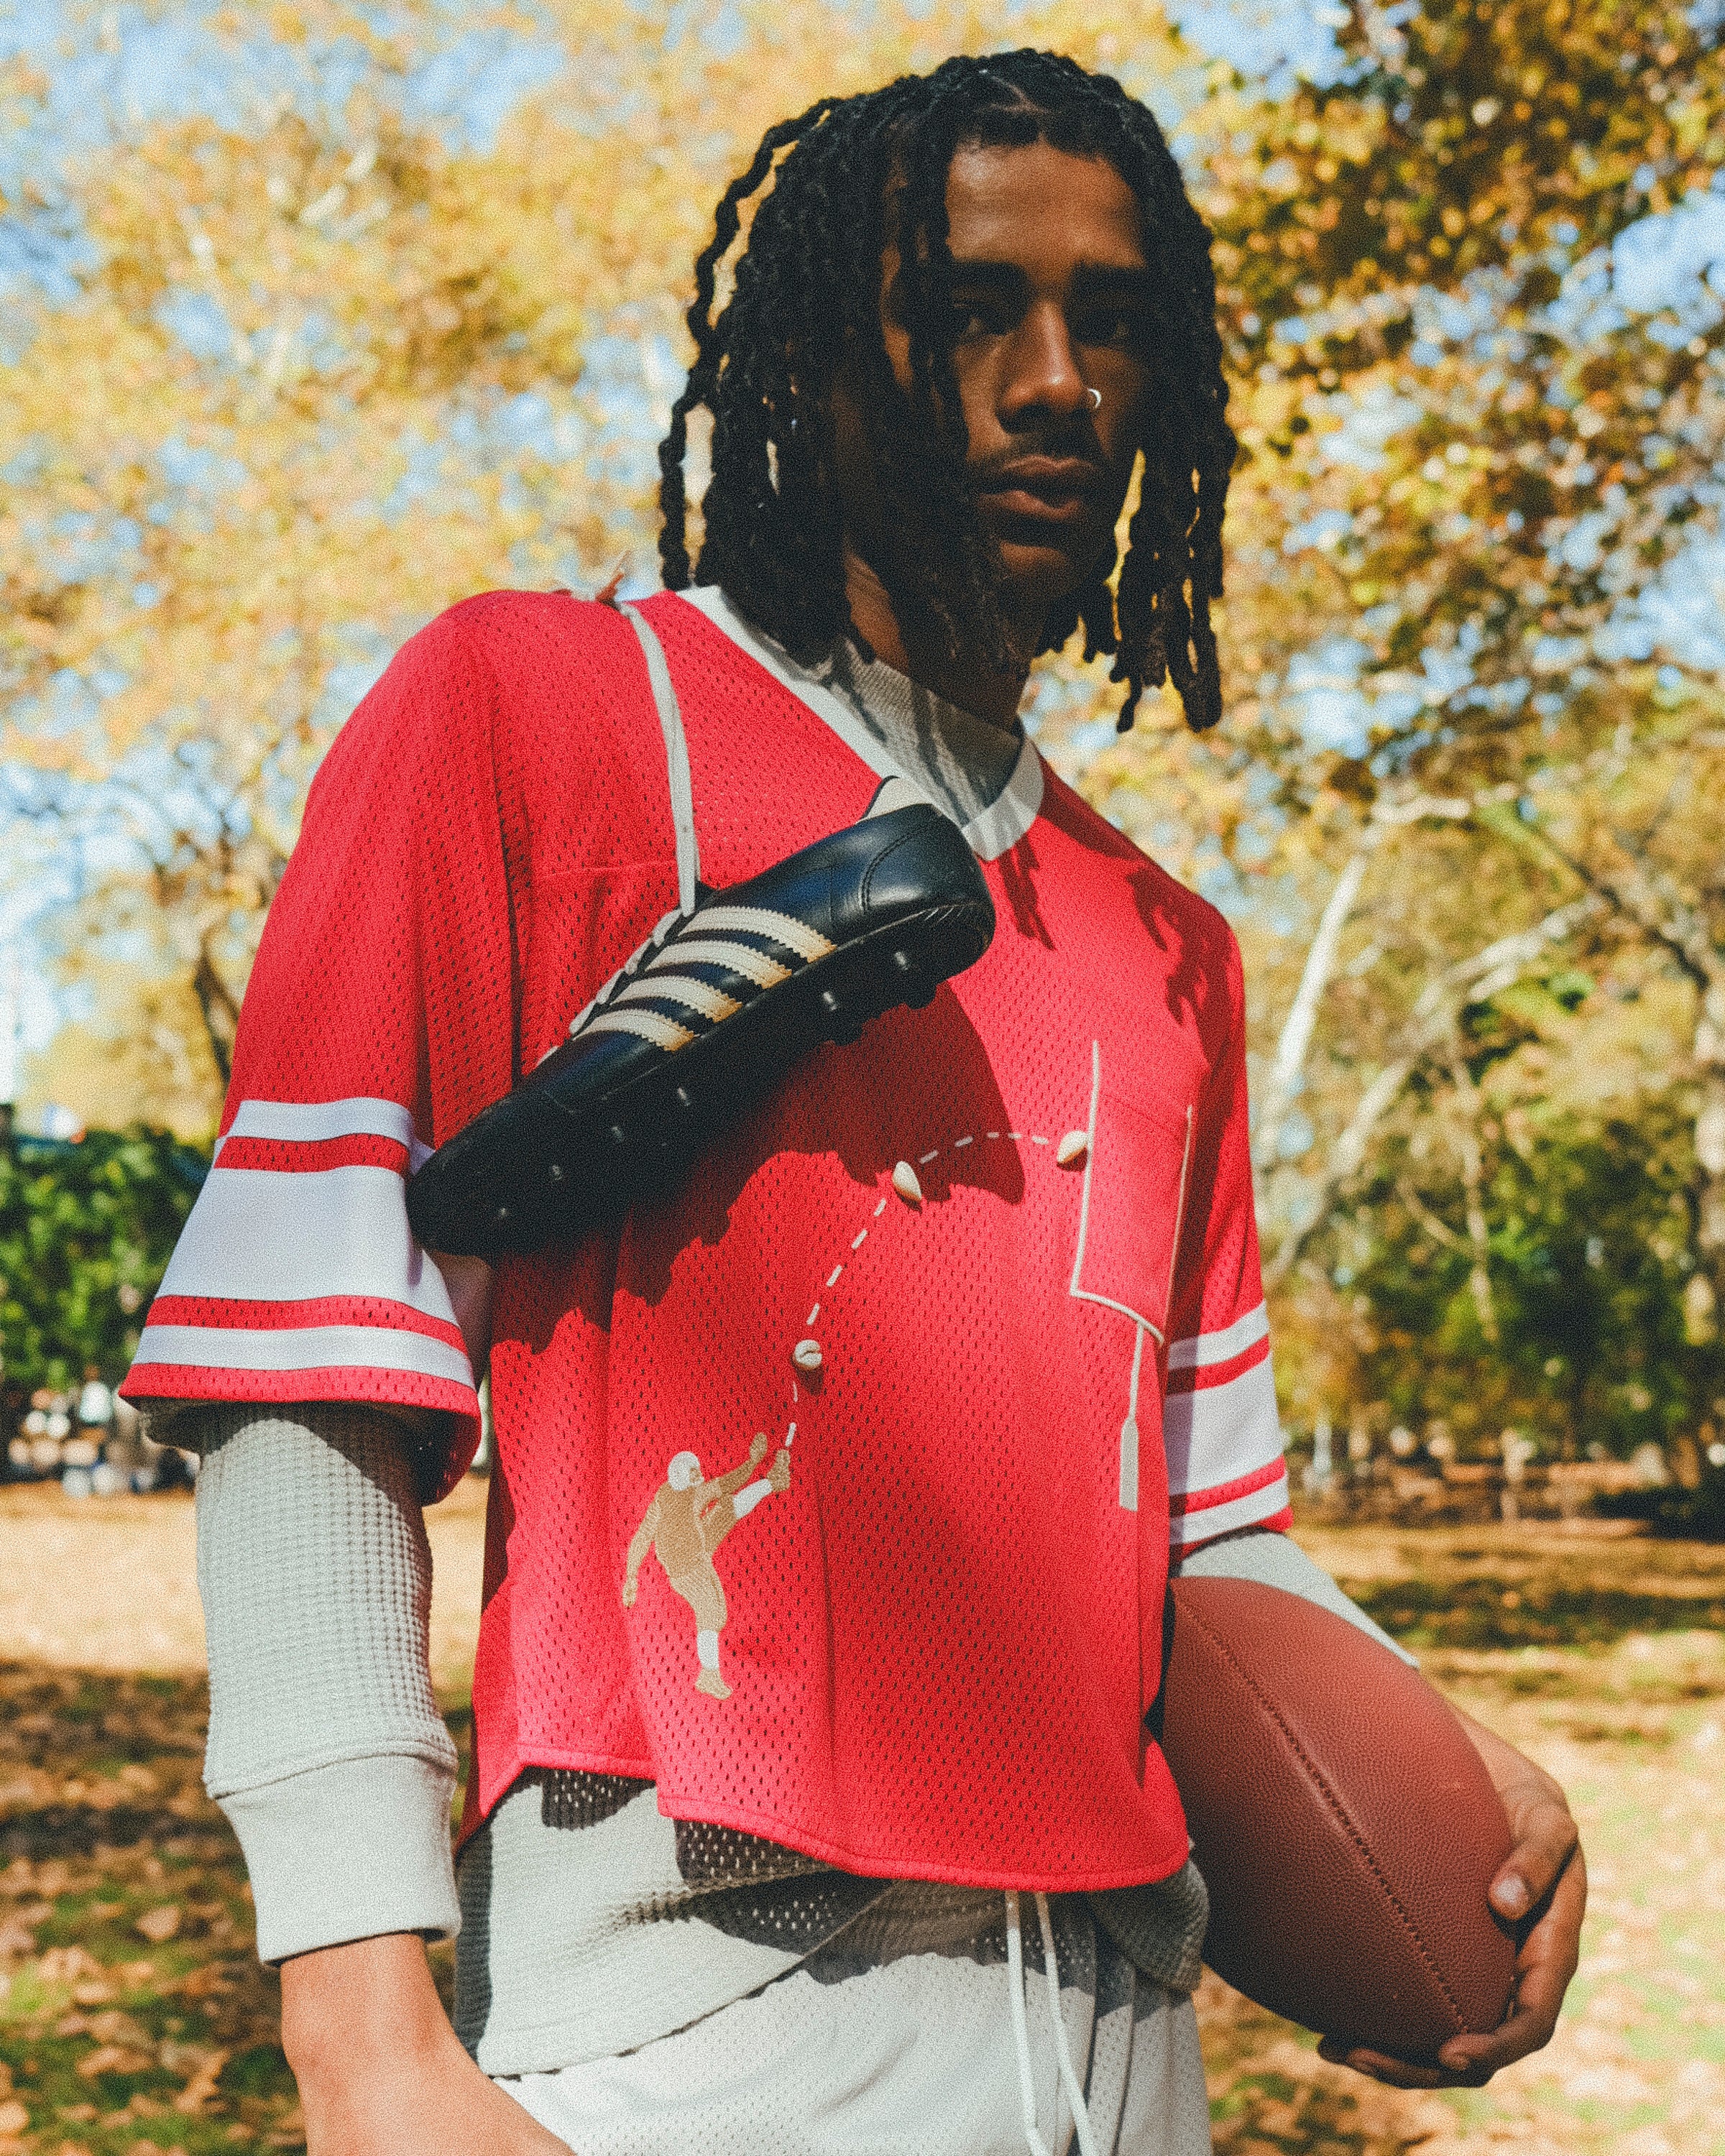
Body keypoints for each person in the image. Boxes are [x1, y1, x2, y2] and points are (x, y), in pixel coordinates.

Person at [122, 48, 1584, 2156]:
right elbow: (300, 1358)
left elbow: (1210, 1524)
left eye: (1111, 322)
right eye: (970, 308)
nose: (1055, 380)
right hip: (686, 2047)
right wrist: (364, 2043)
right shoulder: (537, 713)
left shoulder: (1169, 942)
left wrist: (1433, 1767)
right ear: (812, 362)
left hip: (1121, 2048)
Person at [623, 1436, 794, 1698]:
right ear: (682, 1477)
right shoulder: (679, 1497)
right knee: (712, 1613)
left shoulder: (672, 1497)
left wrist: (631, 1576)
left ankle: (771, 1482)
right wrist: (752, 1462)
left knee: (727, 1508)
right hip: (686, 1568)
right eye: (693, 1473)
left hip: (698, 1545)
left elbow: (643, 1535)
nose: (699, 1475)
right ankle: (709, 1676)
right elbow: (729, 1482)